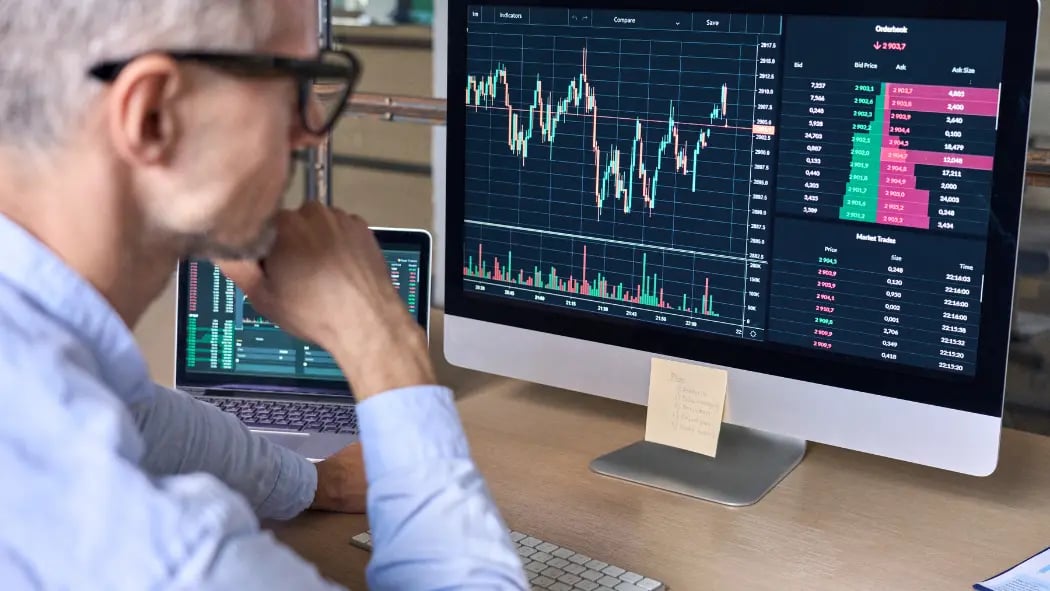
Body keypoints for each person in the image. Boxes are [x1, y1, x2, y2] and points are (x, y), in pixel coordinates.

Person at [0, 0, 528, 589]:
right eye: (293, 82)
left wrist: (312, 484)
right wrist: (383, 343)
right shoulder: (156, 553)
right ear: (154, 114)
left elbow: (142, 413)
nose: (308, 129)